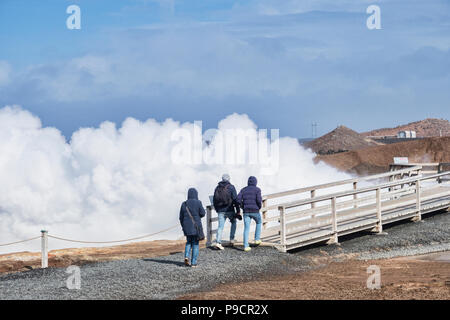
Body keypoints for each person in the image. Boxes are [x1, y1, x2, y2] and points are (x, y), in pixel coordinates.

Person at [213, 173, 241, 250]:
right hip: (230, 209)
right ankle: (231, 239)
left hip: (220, 211)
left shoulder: (217, 188)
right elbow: (235, 199)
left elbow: (214, 200)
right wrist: (238, 211)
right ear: (229, 179)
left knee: (220, 227)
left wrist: (217, 209)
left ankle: (218, 242)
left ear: (222, 179)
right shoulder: (231, 187)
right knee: (233, 222)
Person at [179, 188, 206, 267]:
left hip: (186, 227)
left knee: (188, 242)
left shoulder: (184, 204)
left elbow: (180, 217)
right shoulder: (198, 202)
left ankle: (186, 257)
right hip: (196, 227)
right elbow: (203, 213)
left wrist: (183, 226)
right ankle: (193, 263)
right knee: (195, 244)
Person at [237, 176, 262, 252]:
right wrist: (259, 207)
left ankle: (245, 246)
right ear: (255, 182)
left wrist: (242, 206)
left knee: (246, 228)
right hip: (255, 211)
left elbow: (238, 200)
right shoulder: (257, 190)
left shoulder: (243, 190)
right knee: (259, 222)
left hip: (246, 211)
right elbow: (259, 200)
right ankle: (257, 239)